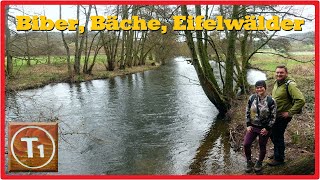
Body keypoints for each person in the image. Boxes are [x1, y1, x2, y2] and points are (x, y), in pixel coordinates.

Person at [268, 65, 305, 166]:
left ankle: (279, 159)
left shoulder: (290, 85)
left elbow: (300, 100)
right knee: (272, 133)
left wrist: (289, 113)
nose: (279, 74)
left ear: (286, 73)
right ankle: (278, 152)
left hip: (283, 116)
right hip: (275, 114)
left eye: (281, 72)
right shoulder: (277, 82)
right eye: (277, 72)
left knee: (277, 135)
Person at [244, 80, 277, 172]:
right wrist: (248, 124)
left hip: (264, 128)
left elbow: (273, 117)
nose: (259, 89)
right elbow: (247, 112)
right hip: (253, 127)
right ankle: (249, 161)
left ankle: (259, 162)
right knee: (246, 144)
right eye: (257, 87)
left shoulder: (271, 101)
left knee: (262, 145)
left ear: (265, 88)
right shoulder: (252, 98)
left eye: (261, 87)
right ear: (255, 89)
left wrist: (267, 128)